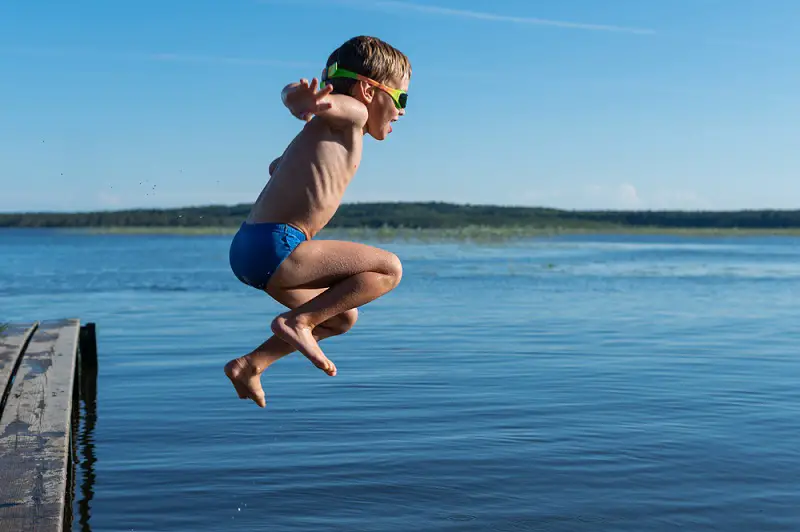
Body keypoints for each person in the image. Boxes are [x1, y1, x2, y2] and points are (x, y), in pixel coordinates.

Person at [224, 36, 411, 407]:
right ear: (368, 90)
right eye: (401, 98)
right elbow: (304, 95)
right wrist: (303, 100)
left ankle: (250, 364)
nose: (402, 111)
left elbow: (278, 167)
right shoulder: (353, 114)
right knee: (389, 269)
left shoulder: (323, 135)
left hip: (250, 250)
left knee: (341, 317)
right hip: (277, 245)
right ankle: (297, 324)